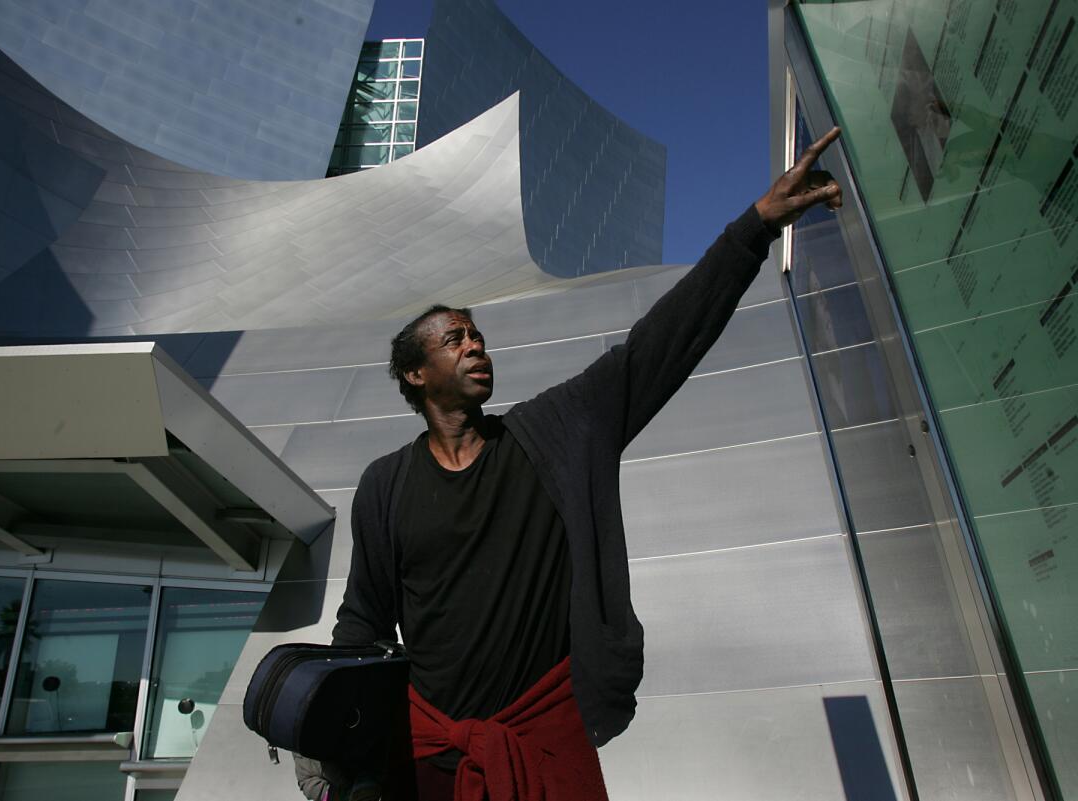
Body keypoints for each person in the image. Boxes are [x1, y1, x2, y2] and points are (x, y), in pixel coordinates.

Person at [330, 129, 845, 800]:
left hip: (544, 745)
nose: (476, 347)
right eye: (454, 339)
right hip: (430, 755)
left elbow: (654, 350)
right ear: (415, 372)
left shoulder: (555, 430)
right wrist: (334, 729)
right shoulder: (385, 485)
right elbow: (363, 617)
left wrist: (753, 230)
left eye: (479, 336)